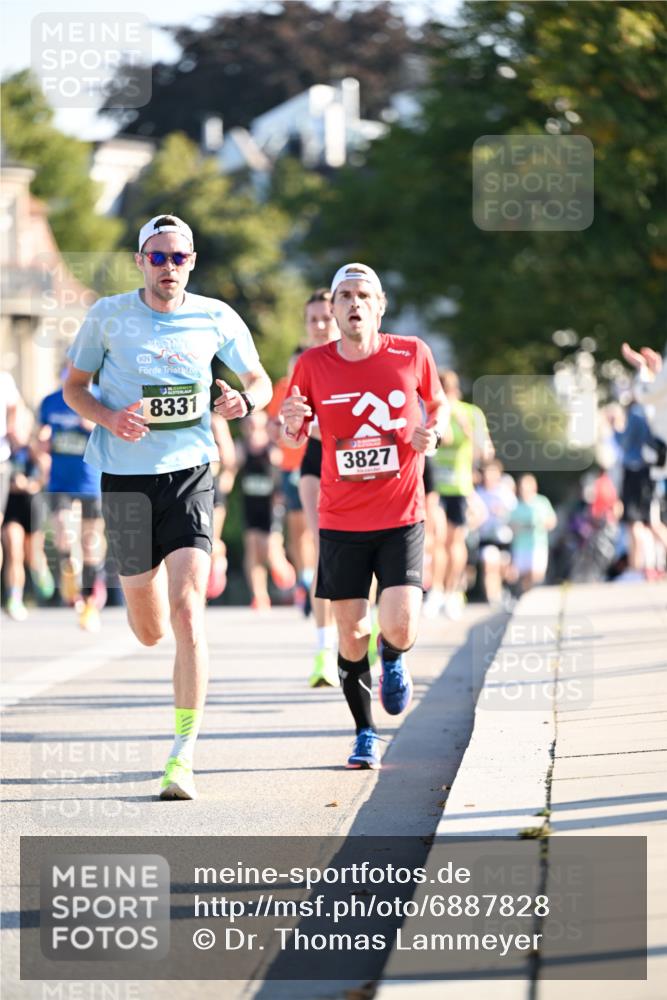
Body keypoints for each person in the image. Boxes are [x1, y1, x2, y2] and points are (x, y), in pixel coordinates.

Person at [63, 214, 272, 800]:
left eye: (178, 257)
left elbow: (260, 379)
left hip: (191, 472)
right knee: (150, 628)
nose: (168, 268)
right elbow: (73, 388)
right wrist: (108, 417)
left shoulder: (216, 317)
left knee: (186, 612)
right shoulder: (108, 315)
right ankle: (137, 604)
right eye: (157, 257)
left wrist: (244, 401)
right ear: (140, 262)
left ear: (192, 262)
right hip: (126, 480)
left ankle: (182, 754)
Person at [281, 263, 449, 769]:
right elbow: (294, 431)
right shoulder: (312, 364)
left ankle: (393, 657)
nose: (354, 304)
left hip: (401, 514)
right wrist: (291, 424)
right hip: (340, 520)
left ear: (379, 306)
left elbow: (437, 408)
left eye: (363, 295)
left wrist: (431, 435)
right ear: (331, 309)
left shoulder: (412, 353)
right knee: (351, 634)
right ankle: (364, 734)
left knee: (398, 625)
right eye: (345, 296)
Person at [38, 365, 106, 631]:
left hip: (91, 480)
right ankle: (69, 572)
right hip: (60, 481)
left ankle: (89, 601)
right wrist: (41, 443)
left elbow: (115, 432)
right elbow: (41, 439)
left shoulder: (100, 396)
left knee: (90, 543)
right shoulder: (50, 402)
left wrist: (94, 425)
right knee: (65, 534)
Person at [298, 289, 341, 687]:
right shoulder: (303, 363)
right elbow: (290, 427)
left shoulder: (356, 358)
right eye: (313, 320)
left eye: (326, 317)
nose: (321, 326)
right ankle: (324, 651)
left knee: (367, 551)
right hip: (315, 463)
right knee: (322, 549)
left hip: (354, 466)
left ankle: (368, 628)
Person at [426, 369, 493, 619]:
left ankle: (453, 591)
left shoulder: (471, 413)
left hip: (460, 486)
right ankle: (437, 590)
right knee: (436, 539)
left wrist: (466, 428)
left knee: (455, 541)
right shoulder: (431, 411)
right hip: (434, 486)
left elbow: (486, 452)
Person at [236, 409, 285, 609]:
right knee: (252, 550)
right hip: (250, 503)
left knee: (270, 550)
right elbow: (232, 465)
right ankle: (259, 595)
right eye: (250, 423)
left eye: (257, 423)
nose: (253, 427)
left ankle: (286, 574)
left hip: (270, 506)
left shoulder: (272, 448)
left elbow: (279, 474)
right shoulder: (242, 447)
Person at [2, 436, 53, 620]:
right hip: (10, 506)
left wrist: (29, 484)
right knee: (14, 552)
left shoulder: (35, 447)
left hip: (32, 505)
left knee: (33, 555)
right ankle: (14, 598)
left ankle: (41, 570)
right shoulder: (5, 449)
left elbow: (44, 475)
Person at [206, 411, 236, 600]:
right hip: (187, 486)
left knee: (211, 540)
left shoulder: (215, 422)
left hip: (212, 484)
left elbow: (229, 458)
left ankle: (218, 562)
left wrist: (227, 477)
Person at [509, 474, 557, 592]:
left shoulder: (542, 502)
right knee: (524, 577)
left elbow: (552, 521)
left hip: (538, 544)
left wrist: (540, 524)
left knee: (536, 575)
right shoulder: (516, 505)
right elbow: (511, 525)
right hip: (521, 546)